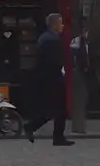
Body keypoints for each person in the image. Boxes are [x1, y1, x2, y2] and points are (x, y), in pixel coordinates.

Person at [25, 13, 74, 146]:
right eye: (61, 23)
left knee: (54, 110)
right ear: (55, 25)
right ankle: (53, 135)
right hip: (54, 79)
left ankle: (38, 129)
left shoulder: (45, 38)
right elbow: (55, 62)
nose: (63, 25)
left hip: (48, 79)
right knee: (58, 109)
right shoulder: (53, 40)